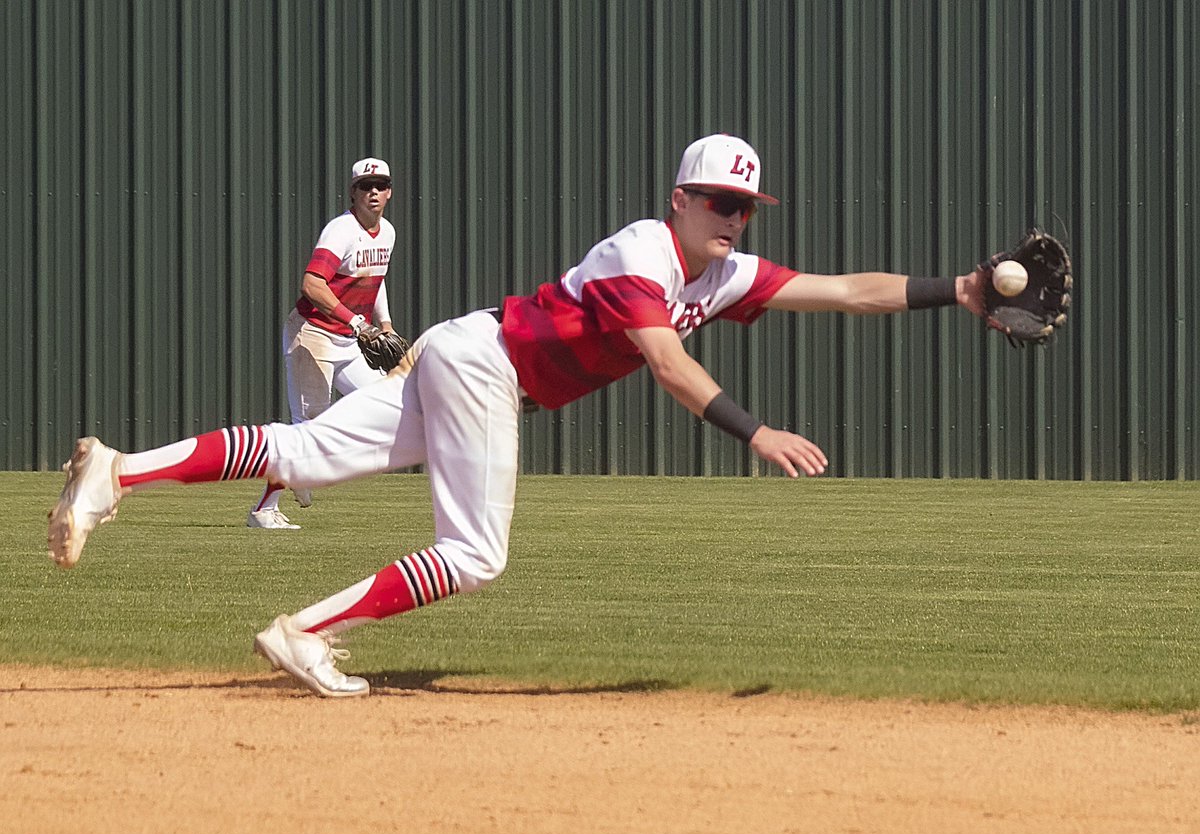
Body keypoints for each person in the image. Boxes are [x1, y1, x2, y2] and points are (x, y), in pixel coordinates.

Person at [48, 134, 992, 698]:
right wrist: (756, 430)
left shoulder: (726, 270)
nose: (732, 218)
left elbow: (845, 289)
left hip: (469, 355)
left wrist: (963, 287)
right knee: (474, 553)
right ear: (681, 197)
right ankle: (303, 631)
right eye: (718, 200)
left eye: (744, 205)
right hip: (489, 370)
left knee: (299, 454)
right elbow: (665, 361)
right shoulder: (644, 251)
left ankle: (116, 470)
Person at [247, 157, 400, 529]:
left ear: (390, 192)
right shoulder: (341, 231)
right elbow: (312, 284)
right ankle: (264, 509)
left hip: (348, 340)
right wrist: (358, 323)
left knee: (390, 407)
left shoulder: (389, 233)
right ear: (353, 192)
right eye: (366, 186)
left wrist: (386, 325)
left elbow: (373, 282)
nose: (374, 192)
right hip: (312, 333)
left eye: (380, 185)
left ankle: (305, 471)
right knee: (306, 428)